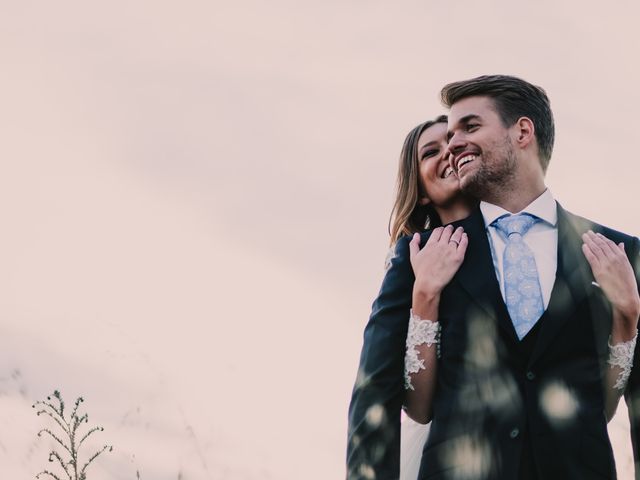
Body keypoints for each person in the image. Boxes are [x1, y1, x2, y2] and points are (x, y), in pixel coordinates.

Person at [347, 75, 640, 480]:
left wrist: (627, 314)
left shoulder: (619, 252)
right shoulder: (422, 255)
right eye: (448, 136)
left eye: (469, 127)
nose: (452, 146)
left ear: (522, 131)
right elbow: (376, 395)